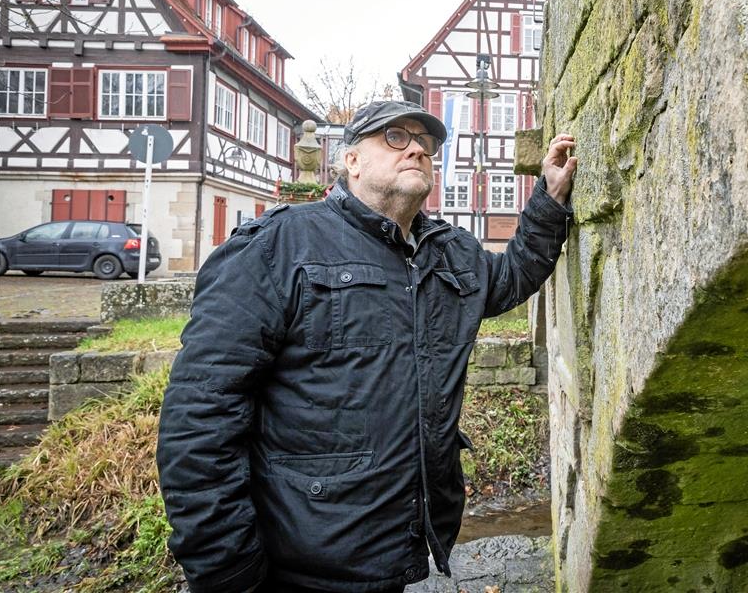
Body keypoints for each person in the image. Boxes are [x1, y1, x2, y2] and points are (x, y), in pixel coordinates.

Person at [157, 100, 577, 593]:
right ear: (351, 160)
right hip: (298, 563)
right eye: (396, 137)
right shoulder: (279, 245)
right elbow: (200, 420)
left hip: (392, 553)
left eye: (426, 143)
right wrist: (229, 575)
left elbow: (511, 277)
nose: (418, 148)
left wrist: (549, 196)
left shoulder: (446, 251)